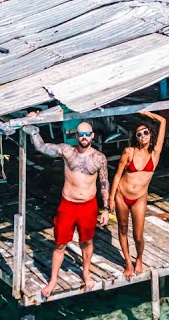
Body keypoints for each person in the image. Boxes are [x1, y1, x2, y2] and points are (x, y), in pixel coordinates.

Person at [24, 115, 111, 300]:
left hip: (89, 205)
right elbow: (42, 147)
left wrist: (106, 209)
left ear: (93, 135)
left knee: (86, 241)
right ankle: (53, 280)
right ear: (76, 135)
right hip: (68, 204)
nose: (84, 137)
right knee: (60, 243)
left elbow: (104, 182)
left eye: (87, 134)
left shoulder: (99, 158)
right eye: (81, 134)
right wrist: (33, 129)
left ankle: (86, 272)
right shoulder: (67, 151)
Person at [109, 111, 166, 278]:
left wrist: (144, 112)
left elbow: (162, 120)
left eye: (145, 132)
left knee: (138, 235)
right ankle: (127, 262)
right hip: (121, 195)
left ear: (150, 134)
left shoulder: (154, 155)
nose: (143, 136)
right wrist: (111, 199)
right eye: (139, 134)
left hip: (139, 198)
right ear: (136, 137)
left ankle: (139, 258)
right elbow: (118, 175)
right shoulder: (129, 152)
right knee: (122, 228)